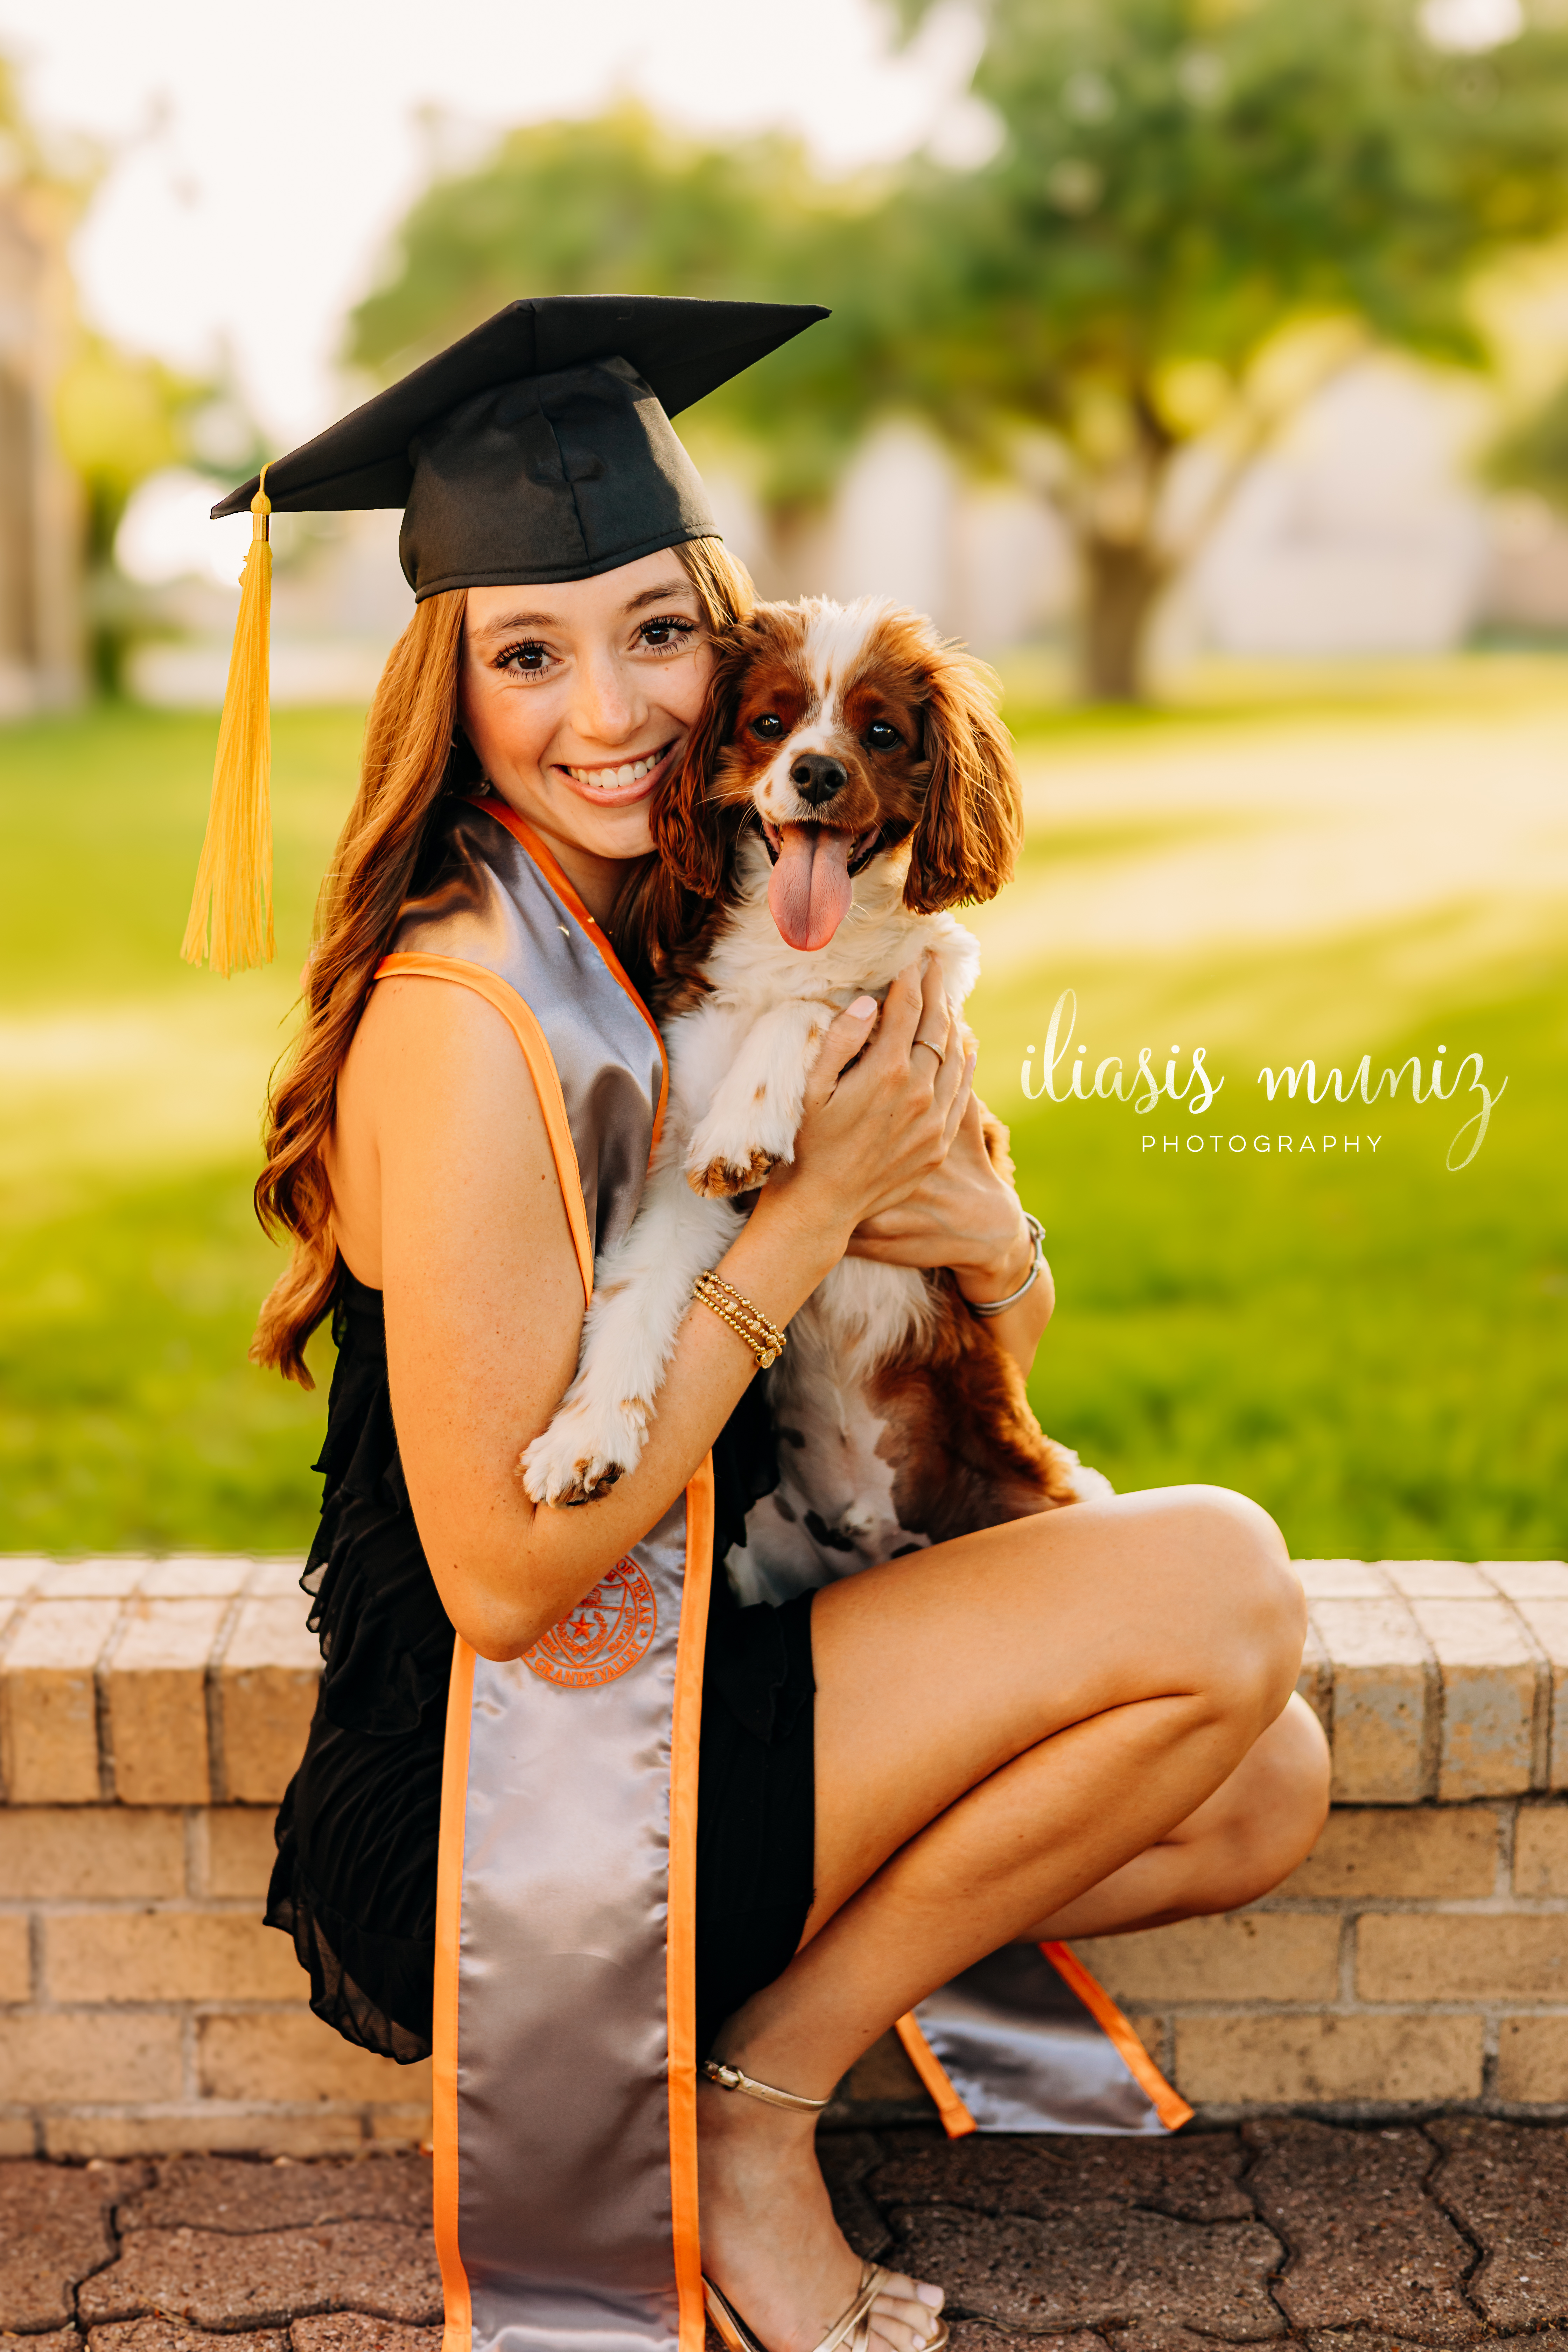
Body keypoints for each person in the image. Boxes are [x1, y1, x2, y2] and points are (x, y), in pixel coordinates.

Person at [191, 297, 1330, 2352]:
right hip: (494, 1793)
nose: (612, 709)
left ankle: (753, 2041)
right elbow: (514, 1574)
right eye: (530, 656)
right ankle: (756, 2104)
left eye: (656, 633)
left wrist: (980, 1230)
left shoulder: (679, 921)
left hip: (725, 1632)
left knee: (1263, 1778)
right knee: (1227, 1581)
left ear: (728, 651)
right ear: (448, 696)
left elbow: (966, 1323)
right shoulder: (466, 1019)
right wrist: (802, 1221)